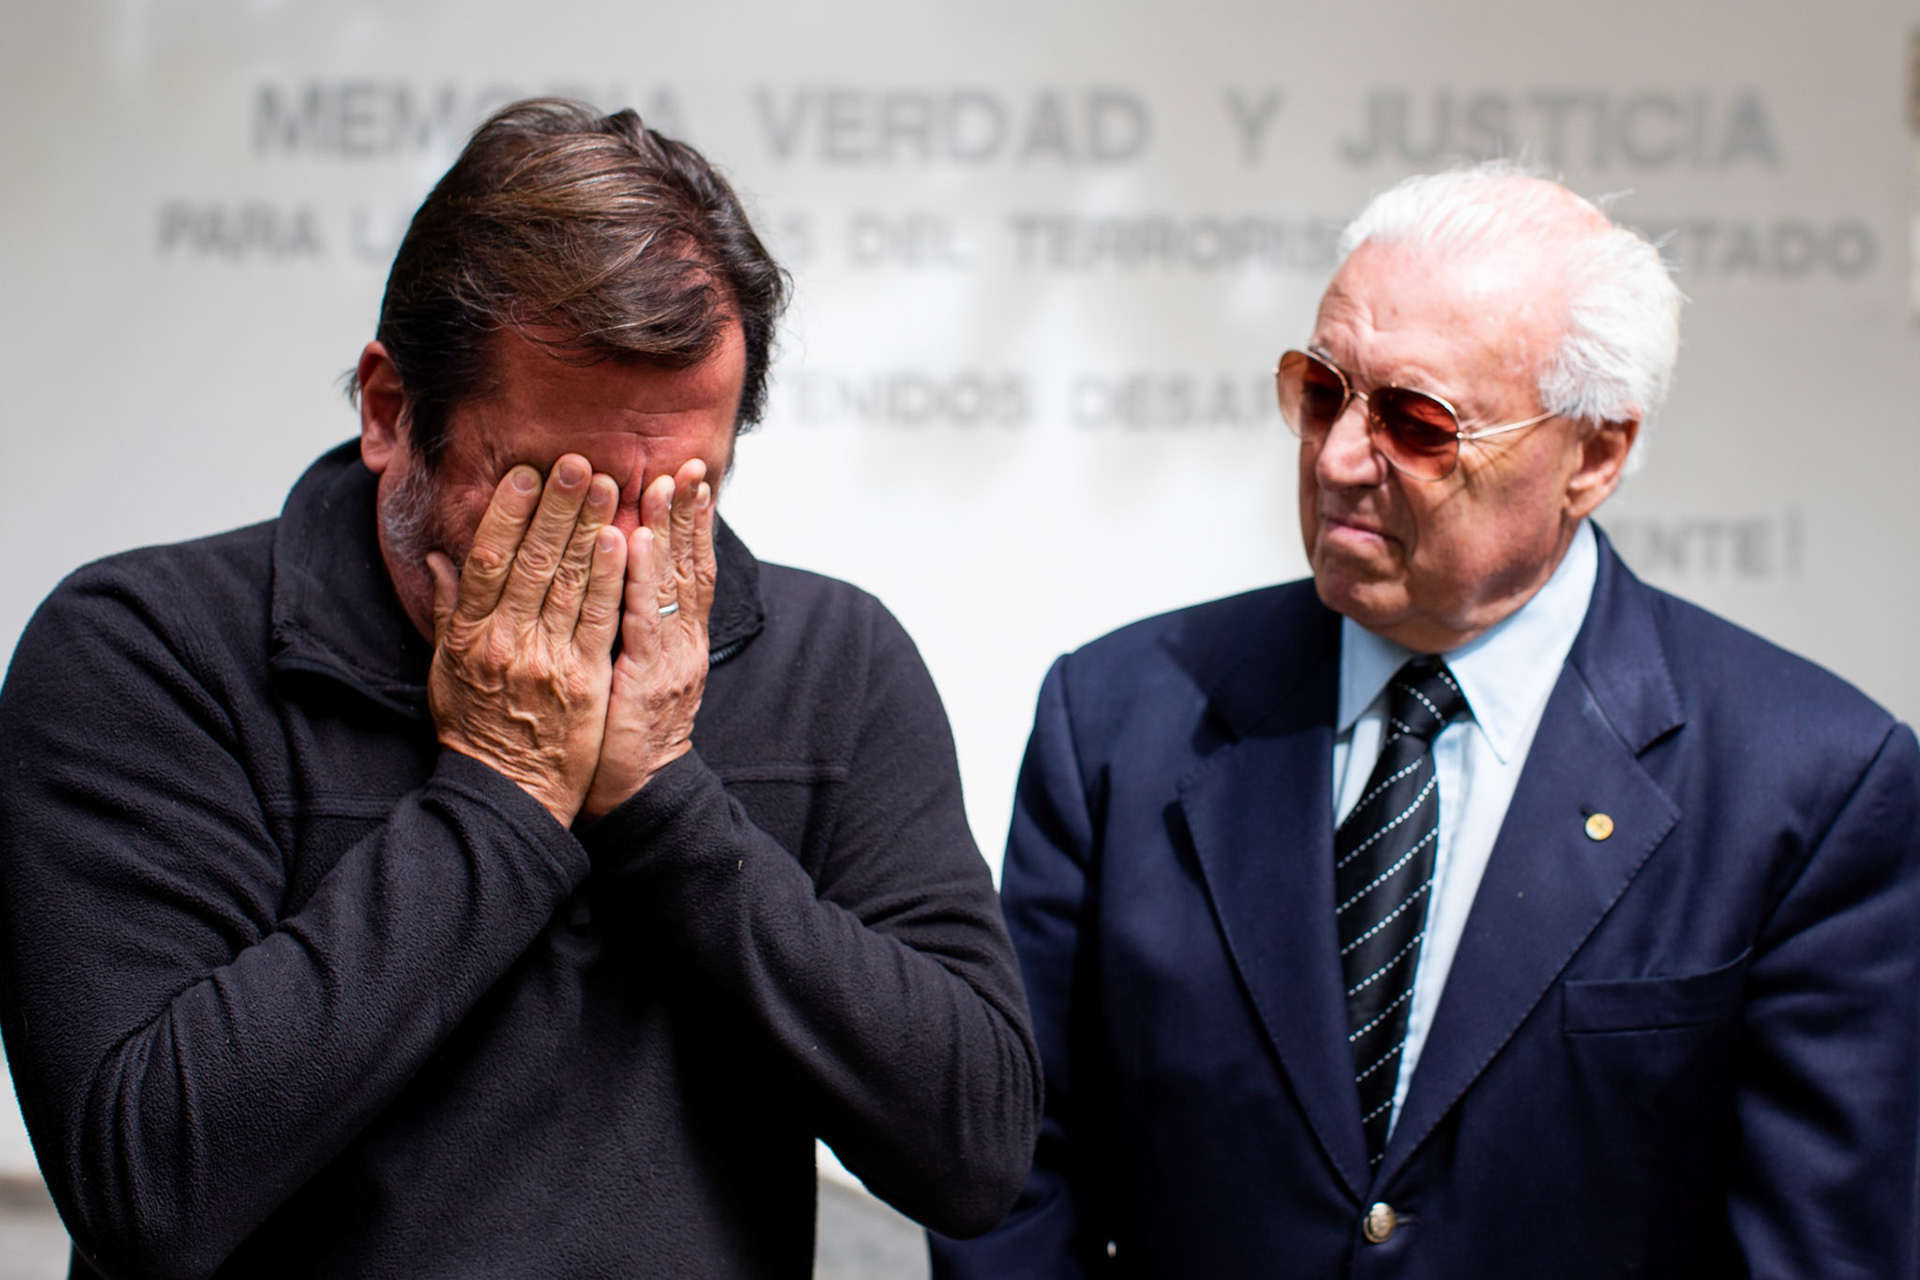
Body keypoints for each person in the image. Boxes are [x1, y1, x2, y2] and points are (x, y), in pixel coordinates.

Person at [0, 99, 1040, 1279]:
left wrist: (664, 800)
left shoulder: (834, 662)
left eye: (678, 494)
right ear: (392, 411)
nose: (617, 555)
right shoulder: (150, 649)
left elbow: (975, 1147)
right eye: (554, 491)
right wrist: (503, 787)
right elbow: (146, 1181)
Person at [931, 164, 1920, 1277]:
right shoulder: (1121, 716)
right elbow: (1010, 1163)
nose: (1343, 458)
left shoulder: (1812, 781)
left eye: (1417, 421)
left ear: (1593, 454)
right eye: (1321, 392)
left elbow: (1826, 1245)